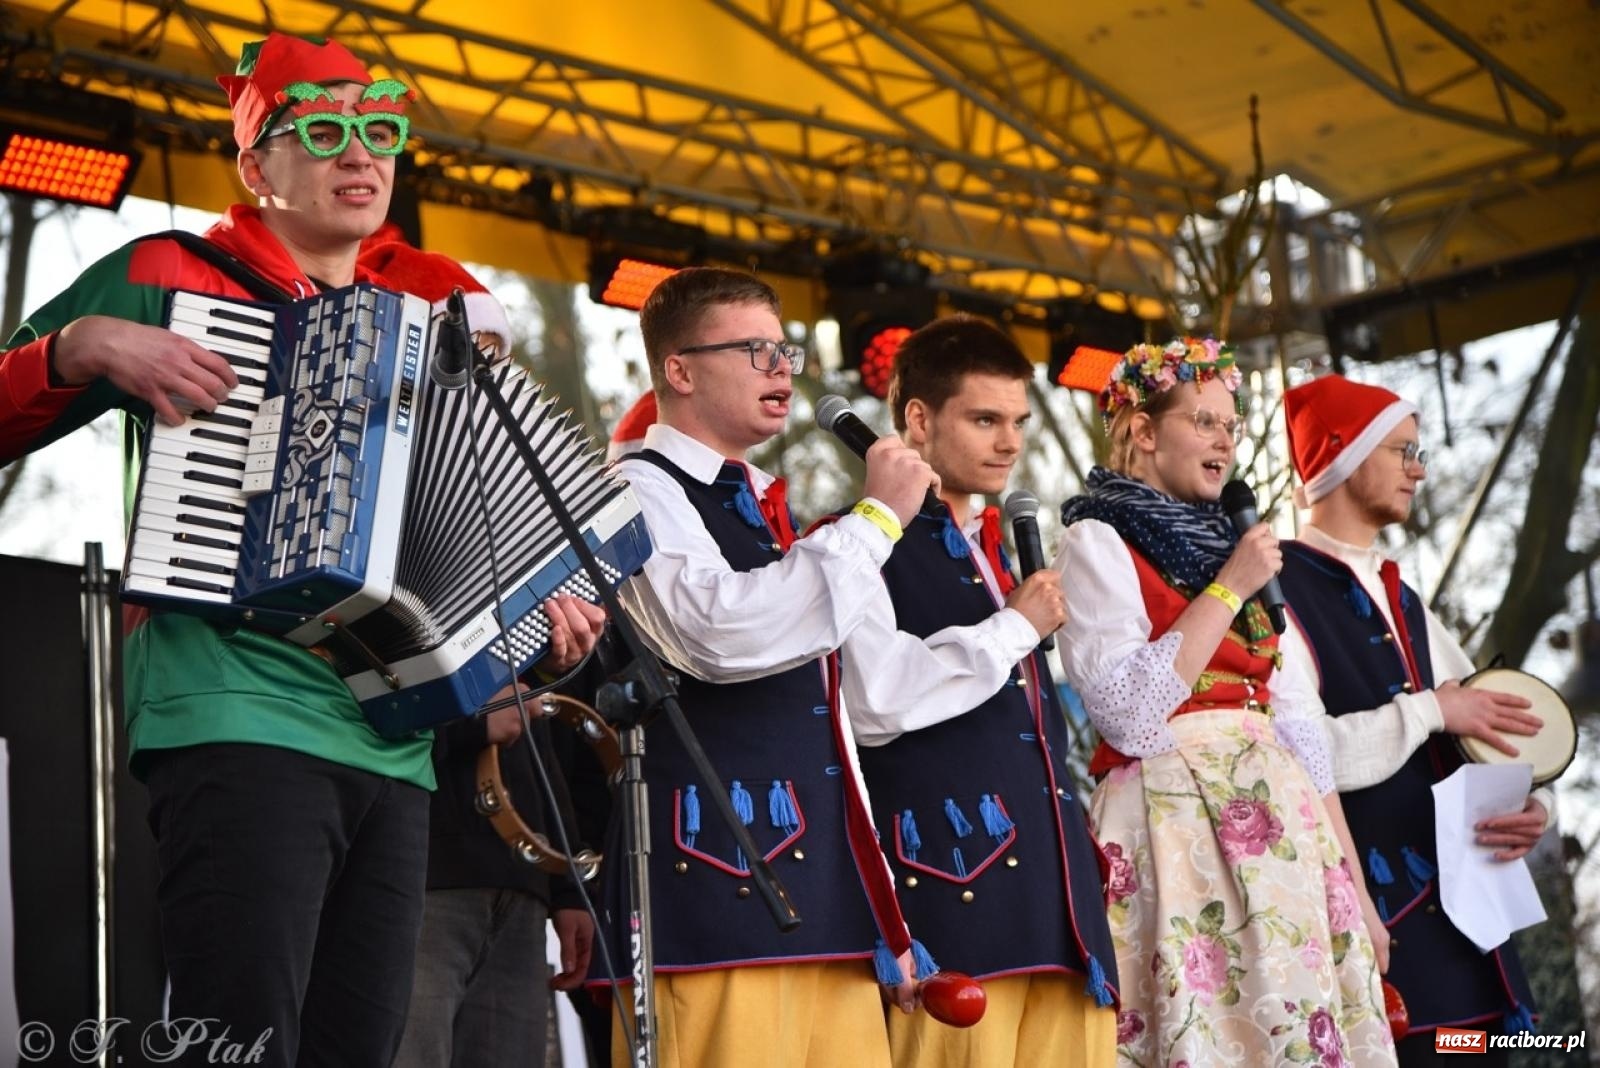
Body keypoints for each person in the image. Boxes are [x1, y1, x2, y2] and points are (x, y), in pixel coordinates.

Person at [0, 32, 598, 1066]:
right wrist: (77, 347)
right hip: (234, 706)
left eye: (379, 134)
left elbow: (472, 520)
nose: (359, 156)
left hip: (395, 741)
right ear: (254, 166)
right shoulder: (167, 273)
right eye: (322, 133)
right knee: (243, 1044)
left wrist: (538, 615)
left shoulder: (429, 316)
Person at [603, 266, 937, 1068]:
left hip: (817, 891)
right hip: (711, 886)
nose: (781, 369)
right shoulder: (632, 487)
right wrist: (877, 517)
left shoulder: (763, 504)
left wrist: (881, 903)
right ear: (678, 370)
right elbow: (718, 634)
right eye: (753, 349)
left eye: (783, 349)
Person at [1052, 338, 1397, 1066]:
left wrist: (1355, 891)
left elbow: (1303, 730)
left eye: (1232, 427)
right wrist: (1230, 588)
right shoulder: (1096, 539)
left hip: (1282, 836)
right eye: (1204, 421)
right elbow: (1127, 714)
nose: (1225, 441)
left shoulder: (1235, 547)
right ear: (1144, 433)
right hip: (1173, 828)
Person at [836, 315, 1119, 1068]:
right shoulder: (853, 541)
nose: (1010, 442)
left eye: (1019, 422)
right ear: (919, 420)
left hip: (1062, 918)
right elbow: (876, 701)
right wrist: (1014, 629)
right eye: (985, 419)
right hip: (948, 900)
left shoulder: (1003, 551)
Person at [363, 239, 607, 1068]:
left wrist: (565, 881)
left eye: (495, 364)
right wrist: (475, 727)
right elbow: (346, 695)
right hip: (413, 868)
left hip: (515, 872)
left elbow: (536, 725)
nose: (486, 389)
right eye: (468, 362)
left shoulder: (504, 517)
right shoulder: (361, 504)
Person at [1277, 375, 1544, 1064]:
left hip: (1474, 947)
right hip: (1391, 950)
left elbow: (1487, 730)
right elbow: (1301, 758)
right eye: (1401, 450)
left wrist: (1531, 806)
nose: (1418, 469)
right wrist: (1430, 709)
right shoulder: (1278, 593)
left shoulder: (1404, 597)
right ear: (1342, 454)